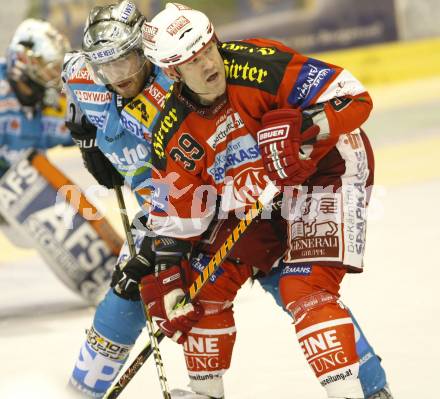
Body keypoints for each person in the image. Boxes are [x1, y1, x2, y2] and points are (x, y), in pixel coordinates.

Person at [135, 3, 393, 399]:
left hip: (327, 172)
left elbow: (355, 98)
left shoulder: (261, 66)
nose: (209, 64)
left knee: (303, 287)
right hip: (259, 198)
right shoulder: (172, 134)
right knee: (200, 290)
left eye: (208, 49)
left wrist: (306, 127)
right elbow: (174, 221)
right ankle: (205, 393)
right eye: (192, 61)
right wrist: (170, 282)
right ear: (172, 73)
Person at [63, 2, 285, 397]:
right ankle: (79, 392)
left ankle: (366, 384)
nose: (119, 77)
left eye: (127, 62)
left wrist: (162, 240)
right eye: (107, 67)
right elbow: (74, 80)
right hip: (159, 210)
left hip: (216, 203)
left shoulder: (177, 90)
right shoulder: (83, 76)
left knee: (291, 282)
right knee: (128, 288)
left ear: (145, 51)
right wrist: (86, 137)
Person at [0, 19, 72, 246]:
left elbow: (90, 132)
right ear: (24, 62)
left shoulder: (49, 100)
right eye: (47, 67)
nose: (53, 76)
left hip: (21, 196)